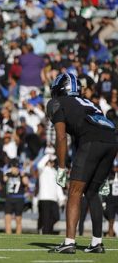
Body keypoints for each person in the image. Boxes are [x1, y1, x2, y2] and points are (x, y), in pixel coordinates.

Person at [47, 72, 118, 253]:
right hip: (112, 141)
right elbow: (100, 130)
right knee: (92, 192)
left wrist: (61, 168)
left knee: (75, 191)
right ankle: (96, 243)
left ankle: (69, 242)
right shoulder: (91, 104)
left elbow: (61, 137)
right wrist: (106, 174)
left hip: (92, 142)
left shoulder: (56, 103)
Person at [3, 158, 29, 235]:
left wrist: (21, 174)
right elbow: (4, 179)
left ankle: (18, 236)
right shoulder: (8, 173)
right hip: (9, 198)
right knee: (7, 218)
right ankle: (8, 236)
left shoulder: (22, 174)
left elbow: (26, 182)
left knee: (18, 219)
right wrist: (10, 173)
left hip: (19, 198)